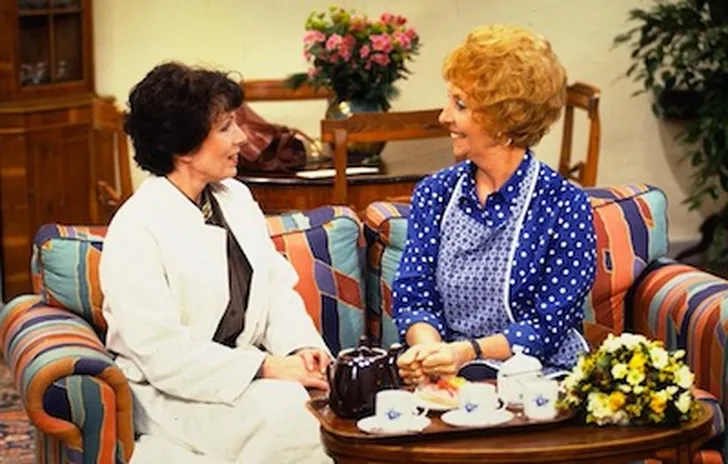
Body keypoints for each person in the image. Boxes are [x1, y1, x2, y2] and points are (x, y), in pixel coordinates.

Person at [100, 62, 332, 464]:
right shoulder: (136, 228)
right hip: (171, 393)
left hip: (244, 379)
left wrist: (302, 347)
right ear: (183, 147)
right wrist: (266, 367)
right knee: (291, 419)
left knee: (312, 410)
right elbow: (162, 355)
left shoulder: (235, 198)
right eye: (226, 127)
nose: (242, 137)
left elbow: (275, 288)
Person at [393, 25, 597, 385]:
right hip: (452, 374)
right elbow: (415, 296)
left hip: (539, 376)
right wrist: (429, 352)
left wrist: (467, 352)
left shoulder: (564, 205)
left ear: (503, 121)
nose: (444, 117)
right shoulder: (435, 194)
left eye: (460, 105)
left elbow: (547, 326)